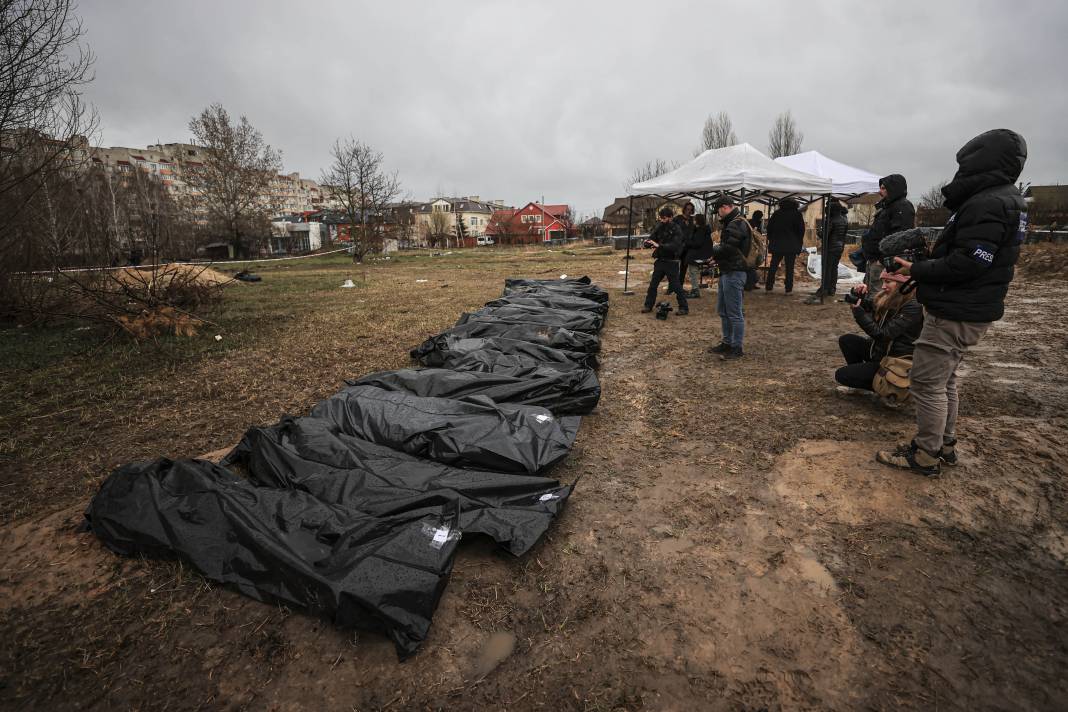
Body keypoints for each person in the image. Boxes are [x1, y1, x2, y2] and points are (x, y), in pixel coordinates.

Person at [876, 128, 1027, 476]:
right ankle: (944, 444)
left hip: (956, 309)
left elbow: (971, 261)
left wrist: (918, 268)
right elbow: (974, 255)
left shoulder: (988, 201)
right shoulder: (1004, 199)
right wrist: (922, 270)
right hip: (969, 306)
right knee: (945, 380)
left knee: (927, 382)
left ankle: (926, 454)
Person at [835, 271, 923, 392]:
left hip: (896, 360)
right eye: (883, 281)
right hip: (881, 352)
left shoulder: (913, 306)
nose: (883, 286)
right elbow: (872, 307)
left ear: (902, 284)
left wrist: (859, 314)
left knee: (842, 375)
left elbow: (883, 335)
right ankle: (865, 381)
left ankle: (890, 388)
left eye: (888, 281)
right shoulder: (894, 298)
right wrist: (860, 296)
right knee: (847, 340)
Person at [706, 197, 749, 360]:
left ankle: (736, 347)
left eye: (718, 210)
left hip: (735, 272)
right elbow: (731, 250)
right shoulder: (733, 223)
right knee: (723, 310)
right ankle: (727, 342)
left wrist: (715, 249)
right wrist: (716, 259)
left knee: (734, 312)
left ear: (724, 207)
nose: (718, 214)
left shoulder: (737, 223)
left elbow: (729, 248)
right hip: (728, 270)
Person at [862, 174, 915, 291]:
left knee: (879, 294)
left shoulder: (903, 206)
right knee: (871, 292)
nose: (880, 191)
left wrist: (883, 260)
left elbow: (900, 237)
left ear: (893, 188)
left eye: (883, 188)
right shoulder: (887, 207)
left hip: (883, 262)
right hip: (874, 259)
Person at [642, 206, 689, 315]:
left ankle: (684, 307)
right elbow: (652, 237)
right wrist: (648, 243)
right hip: (660, 261)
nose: (662, 220)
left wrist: (659, 245)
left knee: (676, 286)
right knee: (653, 285)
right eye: (661, 218)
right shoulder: (659, 226)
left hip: (671, 262)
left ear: (670, 217)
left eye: (664, 218)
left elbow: (674, 246)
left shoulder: (677, 229)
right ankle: (648, 305)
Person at [807, 200, 850, 303]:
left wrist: (819, 231)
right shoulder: (844, 220)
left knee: (827, 269)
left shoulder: (831, 220)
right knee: (834, 268)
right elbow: (844, 235)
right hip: (839, 247)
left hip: (830, 247)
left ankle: (824, 289)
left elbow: (825, 235)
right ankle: (832, 289)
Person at [765, 198, 805, 293]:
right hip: (791, 245)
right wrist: (798, 242)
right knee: (789, 268)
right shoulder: (797, 214)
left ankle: (769, 287)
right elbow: (801, 230)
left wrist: (772, 239)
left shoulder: (776, 214)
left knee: (773, 266)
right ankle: (788, 289)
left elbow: (769, 228)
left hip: (777, 244)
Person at [684, 212, 713, 297]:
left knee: (693, 271)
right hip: (701, 254)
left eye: (694, 220)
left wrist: (687, 242)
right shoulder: (702, 229)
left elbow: (697, 243)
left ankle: (695, 290)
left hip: (699, 255)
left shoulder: (701, 230)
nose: (693, 221)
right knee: (693, 271)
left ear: (697, 221)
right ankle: (694, 289)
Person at [671, 202, 696, 292]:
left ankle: (679, 287)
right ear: (684, 209)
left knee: (683, 268)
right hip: (678, 247)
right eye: (687, 209)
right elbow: (671, 229)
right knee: (674, 268)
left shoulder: (692, 220)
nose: (689, 211)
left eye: (690, 209)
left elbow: (695, 232)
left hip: (687, 248)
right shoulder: (678, 219)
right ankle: (672, 287)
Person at [745, 210, 764, 291]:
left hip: (755, 247)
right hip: (751, 247)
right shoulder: (751, 223)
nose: (761, 218)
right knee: (751, 266)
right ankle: (749, 284)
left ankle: (752, 283)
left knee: (754, 266)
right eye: (760, 216)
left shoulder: (757, 222)